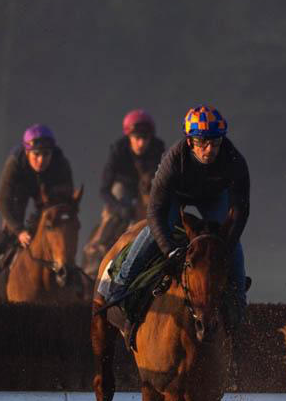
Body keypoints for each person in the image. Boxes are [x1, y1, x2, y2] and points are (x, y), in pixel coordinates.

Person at [105, 105, 250, 326]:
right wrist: (169, 250)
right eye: (203, 142)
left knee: (234, 241)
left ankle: (239, 302)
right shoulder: (172, 161)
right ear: (190, 141)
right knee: (161, 228)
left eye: (216, 141)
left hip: (212, 197)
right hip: (175, 196)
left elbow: (240, 211)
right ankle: (120, 285)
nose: (210, 149)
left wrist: (227, 246)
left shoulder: (235, 160)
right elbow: (154, 214)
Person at [0, 124, 74, 298]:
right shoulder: (15, 162)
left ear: (53, 153)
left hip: (47, 197)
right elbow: (3, 200)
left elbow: (66, 201)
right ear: (27, 152)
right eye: (36, 155)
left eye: (46, 154)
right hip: (18, 194)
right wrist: (19, 230)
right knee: (7, 233)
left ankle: (70, 275)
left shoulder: (62, 164)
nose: (41, 160)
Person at [83, 109, 165, 270]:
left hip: (148, 192)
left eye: (145, 138)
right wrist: (119, 208)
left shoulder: (158, 148)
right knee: (118, 192)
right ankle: (96, 251)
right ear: (129, 137)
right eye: (137, 138)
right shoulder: (118, 150)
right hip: (122, 195)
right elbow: (104, 190)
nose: (141, 143)